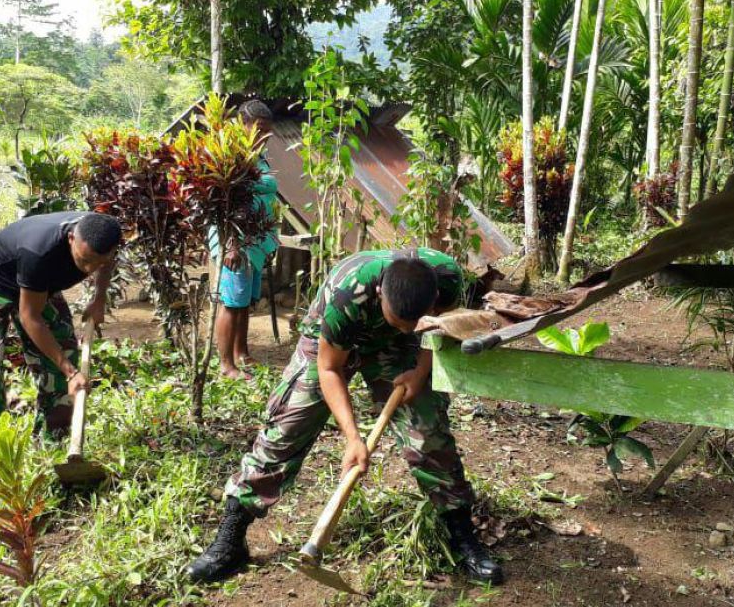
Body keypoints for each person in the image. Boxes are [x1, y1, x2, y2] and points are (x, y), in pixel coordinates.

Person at [187, 248, 504, 586]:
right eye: (400, 321)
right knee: (288, 426)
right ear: (381, 293)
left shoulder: (446, 278)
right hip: (334, 340)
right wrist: (353, 438)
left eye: (416, 320)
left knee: (427, 430)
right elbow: (329, 368)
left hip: (400, 350)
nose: (408, 327)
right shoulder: (345, 295)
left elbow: (438, 330)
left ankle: (462, 536)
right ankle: (230, 541)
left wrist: (418, 371)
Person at [0, 211, 120, 474]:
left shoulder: (104, 233)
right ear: (71, 238)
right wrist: (71, 373)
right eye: (84, 261)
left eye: (97, 262)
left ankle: (52, 437)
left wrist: (99, 298)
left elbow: (106, 263)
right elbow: (29, 316)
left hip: (40, 285)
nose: (89, 269)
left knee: (64, 352)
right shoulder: (40, 251)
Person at [211, 100, 279, 380]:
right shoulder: (233, 157)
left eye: (268, 131)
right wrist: (232, 244)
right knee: (232, 300)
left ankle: (242, 353)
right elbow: (224, 203)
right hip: (235, 240)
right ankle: (226, 365)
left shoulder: (259, 157)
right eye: (259, 129)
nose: (264, 136)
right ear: (243, 125)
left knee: (245, 300)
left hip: (256, 240)